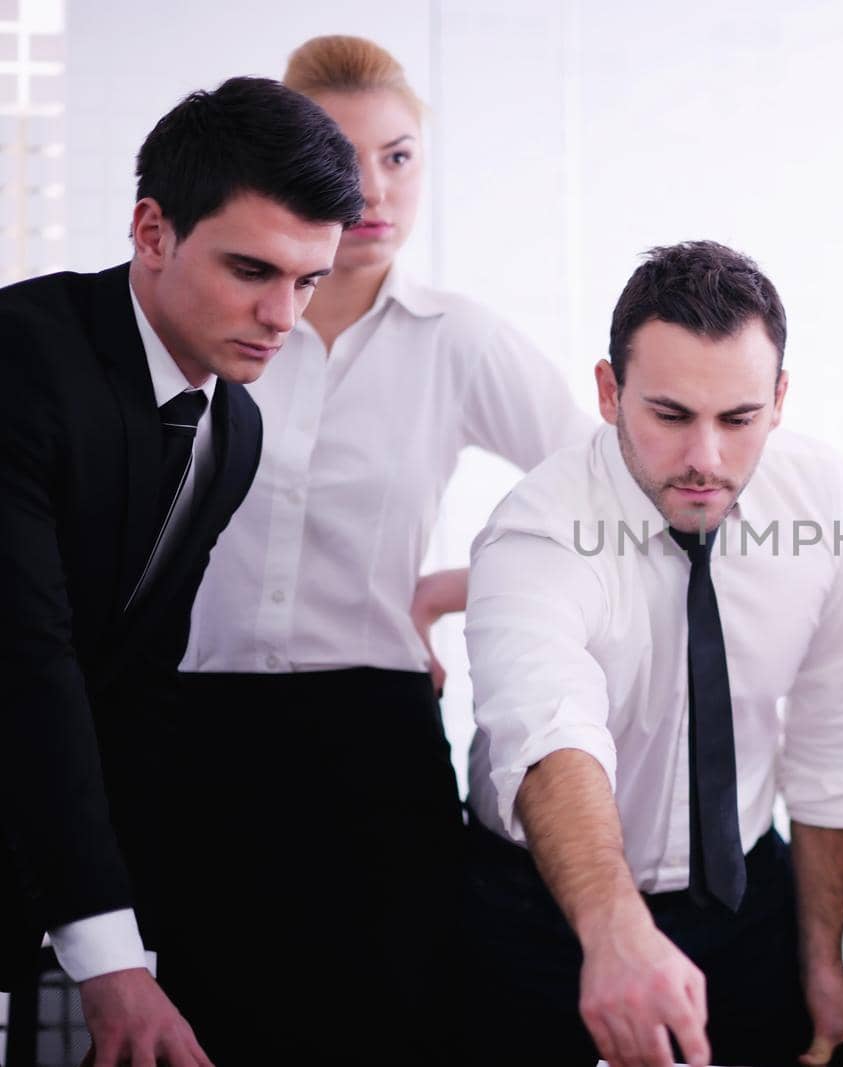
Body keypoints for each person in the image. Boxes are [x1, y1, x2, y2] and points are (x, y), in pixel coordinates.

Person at [160, 36, 594, 1066]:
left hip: (371, 733)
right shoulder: (212, 314)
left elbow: (605, 499)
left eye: (398, 157)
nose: (372, 188)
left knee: (389, 1020)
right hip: (195, 726)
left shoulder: (458, 338)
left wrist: (450, 589)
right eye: (341, 157)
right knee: (211, 1022)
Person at [462, 240, 843, 1067]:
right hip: (541, 913)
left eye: (738, 419)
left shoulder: (819, 498)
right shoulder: (536, 528)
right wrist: (614, 929)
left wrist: (823, 966)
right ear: (609, 392)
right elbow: (547, 733)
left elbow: (832, 744)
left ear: (779, 400)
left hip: (747, 900)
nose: (706, 457)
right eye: (670, 416)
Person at [0, 77, 361, 1067]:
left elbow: (133, 686)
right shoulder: (20, 358)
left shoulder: (233, 429)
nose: (283, 314)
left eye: (310, 279)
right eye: (253, 268)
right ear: (152, 231)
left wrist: (133, 940)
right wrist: (111, 960)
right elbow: (29, 664)